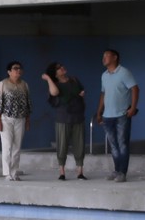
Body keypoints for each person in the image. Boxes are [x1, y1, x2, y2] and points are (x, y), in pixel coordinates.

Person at [96, 47, 138, 183]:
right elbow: (103, 94)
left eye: (106, 56)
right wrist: (99, 112)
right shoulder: (104, 75)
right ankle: (116, 170)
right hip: (107, 116)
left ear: (115, 57)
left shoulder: (124, 72)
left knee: (122, 144)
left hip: (122, 115)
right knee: (113, 145)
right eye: (103, 56)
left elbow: (135, 89)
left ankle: (122, 172)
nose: (104, 58)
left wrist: (133, 108)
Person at [41, 61, 87, 180]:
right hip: (63, 117)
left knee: (79, 144)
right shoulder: (55, 84)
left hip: (78, 115)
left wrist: (82, 93)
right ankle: (62, 172)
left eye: (61, 66)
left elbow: (81, 91)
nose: (62, 68)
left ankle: (80, 171)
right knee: (62, 145)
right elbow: (55, 92)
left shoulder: (74, 80)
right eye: (58, 68)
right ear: (55, 74)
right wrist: (48, 79)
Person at [0, 60, 31, 182]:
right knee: (7, 146)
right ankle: (7, 173)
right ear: (9, 72)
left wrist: (27, 120)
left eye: (20, 68)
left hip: (20, 119)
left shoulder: (24, 85)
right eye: (15, 68)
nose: (18, 70)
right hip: (6, 119)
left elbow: (28, 104)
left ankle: (14, 173)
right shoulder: (3, 84)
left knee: (17, 147)